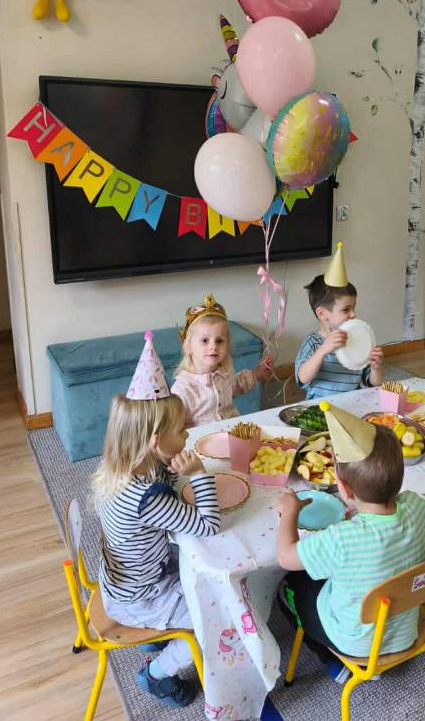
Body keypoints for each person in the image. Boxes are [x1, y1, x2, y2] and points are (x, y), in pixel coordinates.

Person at [92, 332, 221, 707]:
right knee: (213, 614)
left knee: (202, 568)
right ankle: (156, 674)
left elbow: (166, 496)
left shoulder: (121, 467)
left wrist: (174, 470)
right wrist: (198, 475)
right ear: (154, 441)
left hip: (123, 578)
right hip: (141, 596)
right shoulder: (149, 499)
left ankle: (160, 634)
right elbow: (209, 525)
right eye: (180, 430)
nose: (187, 433)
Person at [276, 402, 425, 682]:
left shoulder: (342, 538)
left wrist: (289, 512)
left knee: (288, 586)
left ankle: (331, 661)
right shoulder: (416, 505)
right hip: (406, 632)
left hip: (355, 642)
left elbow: (285, 557)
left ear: (344, 489)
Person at [295, 243, 384, 399]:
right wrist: (323, 350)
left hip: (354, 403)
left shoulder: (357, 340)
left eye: (353, 308)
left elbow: (374, 383)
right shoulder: (313, 342)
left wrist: (376, 367)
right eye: (345, 309)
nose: (353, 314)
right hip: (321, 407)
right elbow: (302, 378)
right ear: (322, 314)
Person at [172, 294, 272, 427]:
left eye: (219, 341)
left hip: (234, 433)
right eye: (205, 340)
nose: (213, 346)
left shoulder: (223, 375)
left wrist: (256, 374)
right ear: (188, 347)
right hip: (202, 439)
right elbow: (173, 427)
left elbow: (236, 385)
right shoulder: (183, 389)